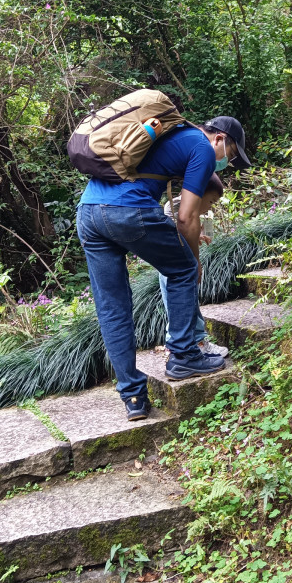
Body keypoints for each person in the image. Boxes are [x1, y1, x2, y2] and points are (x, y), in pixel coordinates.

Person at [76, 115, 250, 421]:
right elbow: (186, 217)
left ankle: (132, 396)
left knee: (111, 305)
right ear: (220, 139)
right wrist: (192, 258)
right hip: (127, 210)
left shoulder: (170, 134)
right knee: (182, 269)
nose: (228, 162)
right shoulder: (203, 148)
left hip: (88, 213)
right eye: (231, 155)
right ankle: (184, 354)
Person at [159, 172, 229, 359]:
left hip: (171, 265)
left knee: (180, 305)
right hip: (174, 266)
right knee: (183, 305)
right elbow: (176, 233)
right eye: (211, 201)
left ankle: (179, 343)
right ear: (199, 193)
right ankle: (195, 342)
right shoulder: (176, 207)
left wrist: (195, 236)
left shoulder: (186, 210)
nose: (210, 208)